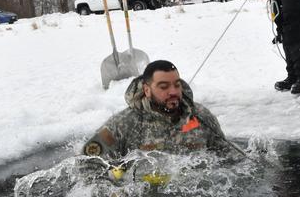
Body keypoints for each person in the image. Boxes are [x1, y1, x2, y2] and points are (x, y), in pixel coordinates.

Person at [82, 60, 235, 161]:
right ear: (147, 90)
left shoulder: (200, 117)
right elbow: (87, 163)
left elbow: (228, 157)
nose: (173, 92)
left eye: (177, 85)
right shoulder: (123, 124)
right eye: (164, 87)